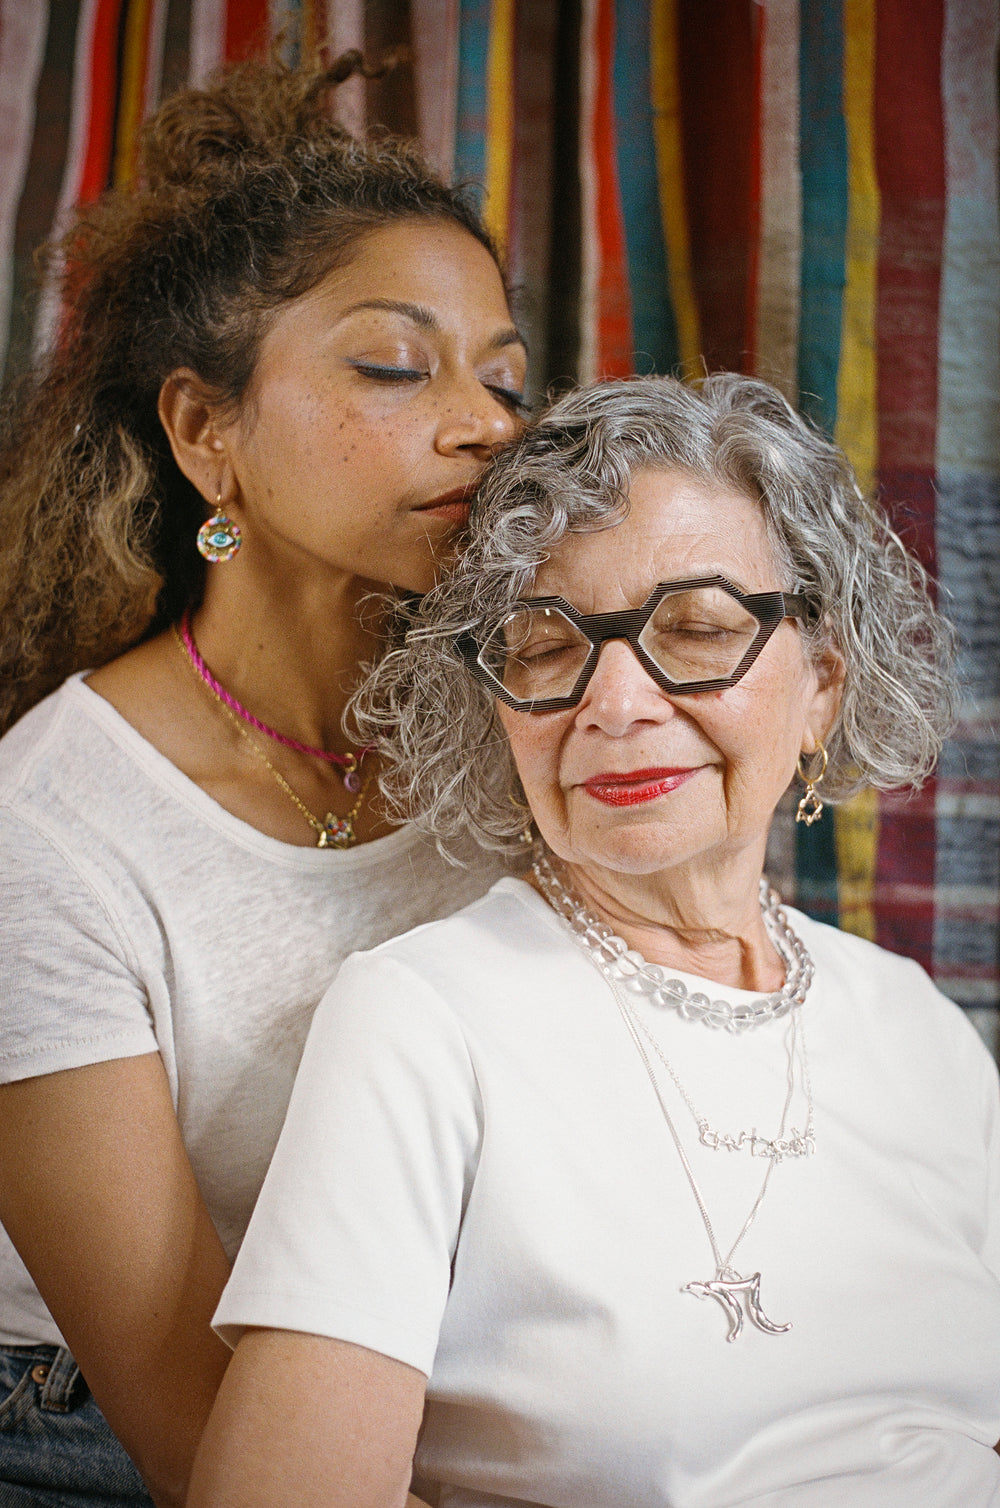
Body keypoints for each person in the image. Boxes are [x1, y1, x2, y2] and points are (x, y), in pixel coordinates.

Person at [189, 373, 1000, 1508]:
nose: (613, 702)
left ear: (822, 681)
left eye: (698, 627)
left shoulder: (917, 1025)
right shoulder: (422, 1019)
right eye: (546, 644)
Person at [0, 51, 527, 1508]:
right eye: (392, 363)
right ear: (203, 432)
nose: (487, 421)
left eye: (504, 375)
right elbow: (189, 1419)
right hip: (96, 1431)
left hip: (428, 1386)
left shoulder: (529, 735)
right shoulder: (47, 835)